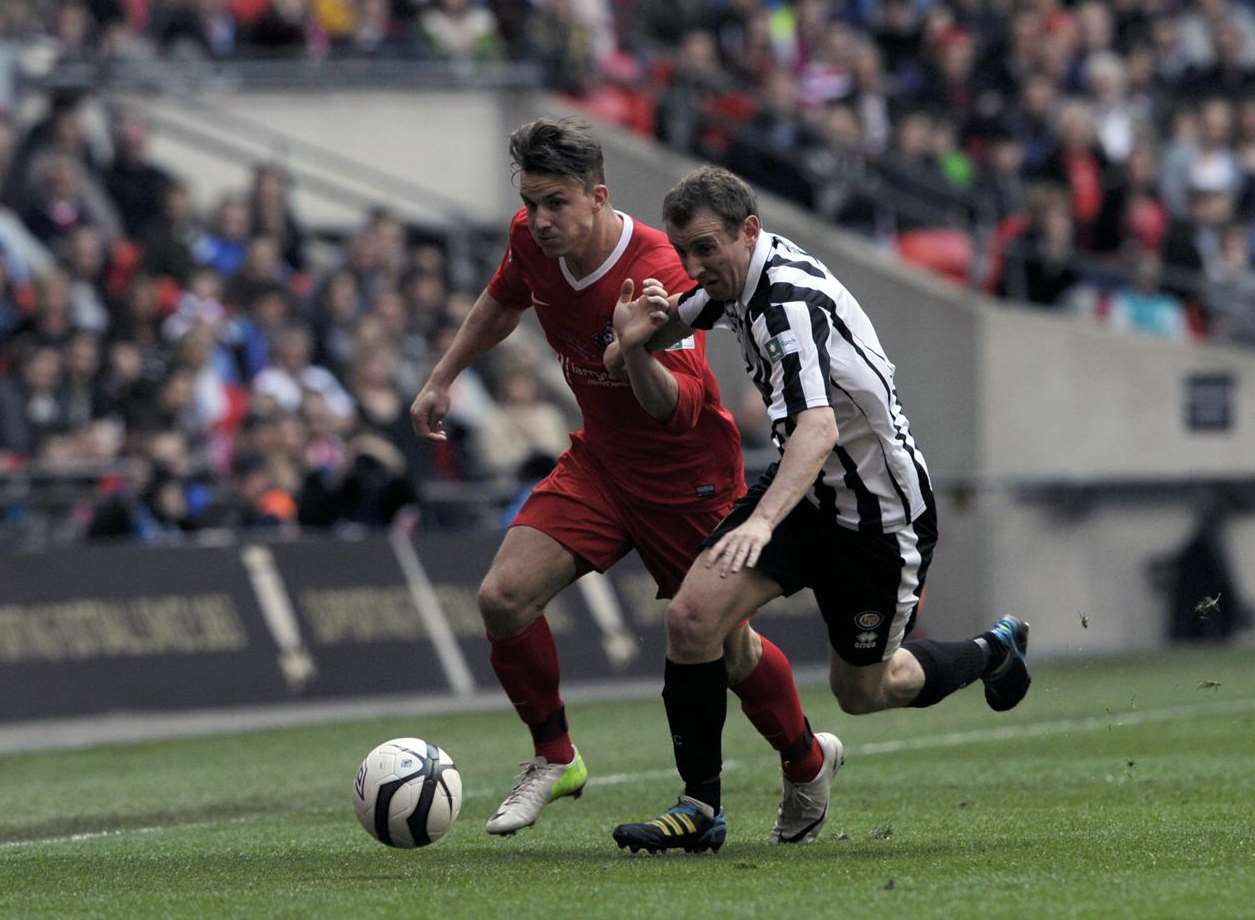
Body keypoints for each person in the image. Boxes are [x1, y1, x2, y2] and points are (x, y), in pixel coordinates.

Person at [410, 119, 838, 843]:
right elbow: (501, 299)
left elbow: (678, 408)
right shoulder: (528, 237)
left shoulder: (660, 270)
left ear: (598, 195)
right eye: (530, 202)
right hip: (601, 463)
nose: (539, 220)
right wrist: (442, 377)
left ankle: (803, 761)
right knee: (502, 598)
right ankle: (555, 757)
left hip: (687, 476)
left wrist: (628, 349)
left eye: (555, 204)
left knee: (727, 647)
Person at [608, 165, 1031, 854]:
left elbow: (819, 427)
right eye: (682, 251)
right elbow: (649, 336)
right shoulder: (733, 279)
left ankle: (992, 651)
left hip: (877, 521)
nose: (692, 266)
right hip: (807, 495)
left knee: (863, 691)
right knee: (691, 618)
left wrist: (759, 523)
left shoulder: (787, 303)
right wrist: (629, 338)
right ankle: (699, 808)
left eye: (705, 249)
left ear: (748, 231)